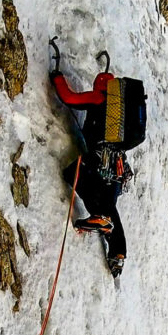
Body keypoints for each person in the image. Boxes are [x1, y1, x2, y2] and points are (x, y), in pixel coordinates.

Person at [49, 67, 129, 277]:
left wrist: (57, 77)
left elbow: (68, 98)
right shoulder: (122, 114)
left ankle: (101, 218)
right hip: (117, 168)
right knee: (109, 205)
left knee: (72, 174)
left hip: (99, 161)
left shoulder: (99, 97)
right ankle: (118, 254)